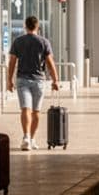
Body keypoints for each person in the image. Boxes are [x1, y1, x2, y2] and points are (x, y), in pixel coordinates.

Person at [7, 15, 60, 151]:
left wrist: (9, 80)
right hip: (39, 80)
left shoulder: (18, 41)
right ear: (38, 27)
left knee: (25, 109)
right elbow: (50, 63)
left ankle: (26, 137)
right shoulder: (44, 42)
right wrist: (55, 80)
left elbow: (12, 62)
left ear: (25, 26)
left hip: (22, 79)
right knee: (36, 111)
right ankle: (31, 138)